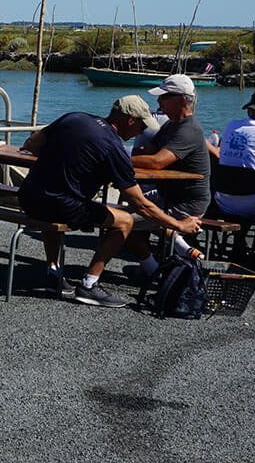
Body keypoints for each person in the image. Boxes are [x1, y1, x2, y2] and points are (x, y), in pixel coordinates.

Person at [17, 96, 203, 308]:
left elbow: (32, 144)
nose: (141, 133)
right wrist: (178, 224)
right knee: (125, 221)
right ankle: (89, 284)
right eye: (141, 126)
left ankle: (53, 271)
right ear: (131, 120)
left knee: (57, 196)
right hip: (59, 207)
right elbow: (139, 204)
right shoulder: (114, 148)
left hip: (28, 197)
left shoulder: (74, 118)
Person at [123, 74, 212, 278]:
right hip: (167, 195)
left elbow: (157, 161)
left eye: (164, 97)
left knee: (120, 223)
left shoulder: (188, 129)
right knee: (126, 214)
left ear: (181, 99)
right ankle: (182, 252)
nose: (158, 101)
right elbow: (149, 149)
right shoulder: (172, 125)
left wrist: (119, 159)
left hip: (186, 202)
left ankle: (155, 272)